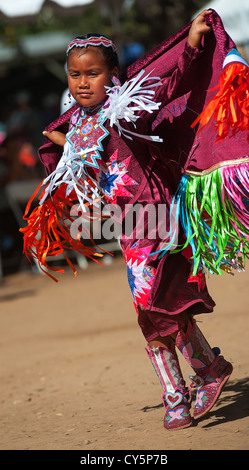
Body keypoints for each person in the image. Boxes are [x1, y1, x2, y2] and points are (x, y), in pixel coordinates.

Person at [21, 9, 249, 430]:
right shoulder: (81, 124)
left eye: (93, 73)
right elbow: (87, 165)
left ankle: (180, 390)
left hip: (157, 218)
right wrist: (66, 144)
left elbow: (171, 86)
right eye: (75, 74)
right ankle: (206, 369)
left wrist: (194, 46)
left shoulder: (129, 110)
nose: (83, 81)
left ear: (113, 76)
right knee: (157, 306)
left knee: (154, 306)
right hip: (129, 228)